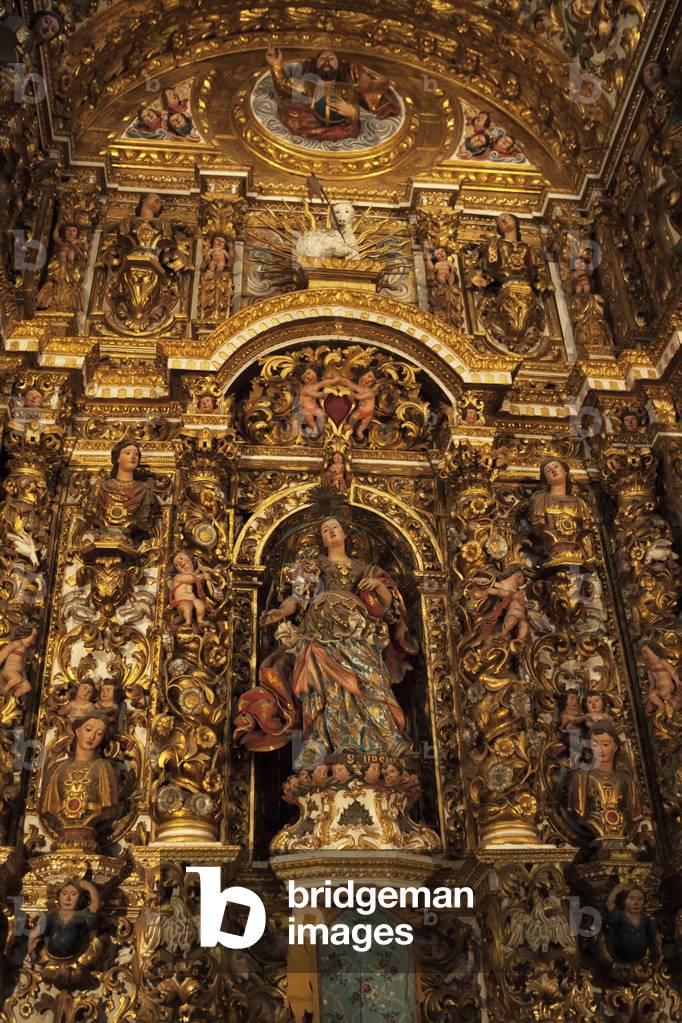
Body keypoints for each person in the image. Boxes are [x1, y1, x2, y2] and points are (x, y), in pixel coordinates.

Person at [234, 517, 416, 767]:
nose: (331, 532)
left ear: (345, 534)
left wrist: (377, 586)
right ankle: (322, 739)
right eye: (326, 530)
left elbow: (387, 609)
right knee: (324, 686)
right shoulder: (314, 566)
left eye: (335, 528)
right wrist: (280, 612)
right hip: (321, 633)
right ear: (322, 539)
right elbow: (297, 599)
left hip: (357, 632)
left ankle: (388, 739)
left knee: (371, 678)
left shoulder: (364, 568)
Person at [265, 42, 399, 141]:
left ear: (339, 66)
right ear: (315, 65)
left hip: (341, 131)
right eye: (322, 58)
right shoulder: (307, 85)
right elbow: (284, 85)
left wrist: (351, 112)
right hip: (309, 126)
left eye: (331, 58)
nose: (327, 61)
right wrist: (275, 65)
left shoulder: (347, 89)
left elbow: (356, 112)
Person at [39, 712, 120, 840]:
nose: (92, 736)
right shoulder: (56, 768)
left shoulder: (104, 767)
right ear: (77, 731)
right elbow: (46, 806)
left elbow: (110, 805)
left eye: (99, 734)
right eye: (88, 730)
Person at [605, 884, 658, 963]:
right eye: (632, 899)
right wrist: (616, 890)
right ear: (624, 901)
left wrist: (658, 951)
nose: (636, 903)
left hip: (641, 959)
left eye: (640, 899)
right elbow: (609, 904)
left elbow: (655, 937)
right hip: (619, 957)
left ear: (644, 902)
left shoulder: (645, 920)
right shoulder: (620, 915)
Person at [0, 626, 37, 698]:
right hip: (9, 670)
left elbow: (22, 664)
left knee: (27, 686)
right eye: (33, 637)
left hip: (19, 672)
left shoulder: (25, 650)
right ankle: (4, 690)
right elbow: (5, 651)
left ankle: (13, 697)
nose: (33, 641)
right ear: (25, 635)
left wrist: (24, 675)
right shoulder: (17, 643)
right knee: (17, 679)